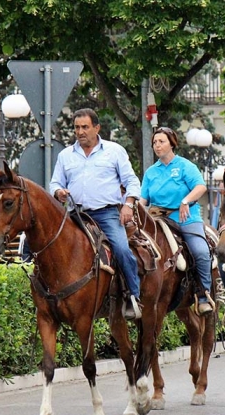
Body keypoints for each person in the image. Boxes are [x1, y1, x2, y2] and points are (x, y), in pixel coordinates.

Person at [50, 108, 142, 320]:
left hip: (107, 214)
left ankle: (133, 297)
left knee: (121, 249)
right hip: (75, 215)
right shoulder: (65, 155)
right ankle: (51, 296)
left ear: (96, 128)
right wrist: (58, 191)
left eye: (85, 127)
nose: (80, 132)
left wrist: (128, 204)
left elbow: (131, 181)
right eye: (76, 127)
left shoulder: (114, 151)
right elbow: (55, 181)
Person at [140, 127, 214, 314]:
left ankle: (203, 295)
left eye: (161, 141)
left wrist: (185, 201)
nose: (157, 145)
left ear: (172, 143)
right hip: (157, 219)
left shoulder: (185, 166)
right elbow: (143, 201)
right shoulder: (151, 172)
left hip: (185, 219)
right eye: (155, 142)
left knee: (201, 251)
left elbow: (200, 187)